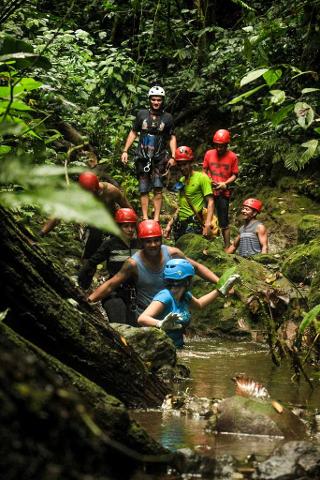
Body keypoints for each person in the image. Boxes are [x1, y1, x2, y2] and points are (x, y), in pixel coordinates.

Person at [87, 219, 220, 315]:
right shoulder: (133, 263)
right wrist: (88, 301)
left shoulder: (173, 253)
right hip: (145, 315)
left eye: (156, 240)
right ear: (141, 242)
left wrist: (219, 282)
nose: (153, 245)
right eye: (148, 241)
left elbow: (196, 267)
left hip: (171, 312)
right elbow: (111, 284)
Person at [137, 259, 240, 348]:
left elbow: (200, 304)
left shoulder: (185, 296)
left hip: (177, 347)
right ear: (187, 281)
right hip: (161, 349)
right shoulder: (165, 297)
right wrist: (160, 323)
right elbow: (142, 319)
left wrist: (221, 290)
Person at [39, 171, 132, 259]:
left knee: (119, 250)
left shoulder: (111, 191)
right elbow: (57, 216)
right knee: (91, 253)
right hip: (96, 224)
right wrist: (42, 233)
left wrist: (138, 229)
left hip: (113, 222)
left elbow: (128, 208)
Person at [121, 85, 177, 222]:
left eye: (159, 100)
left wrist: (174, 156)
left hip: (159, 157)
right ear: (149, 100)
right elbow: (134, 132)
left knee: (158, 188)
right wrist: (125, 151)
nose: (156, 102)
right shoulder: (142, 114)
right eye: (154, 100)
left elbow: (171, 137)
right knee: (143, 188)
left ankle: (156, 219)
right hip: (143, 156)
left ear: (162, 101)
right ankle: (146, 218)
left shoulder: (168, 118)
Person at [78, 208, 140, 325]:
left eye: (132, 226)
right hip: (114, 292)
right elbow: (92, 262)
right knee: (120, 325)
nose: (130, 230)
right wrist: (82, 283)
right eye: (126, 226)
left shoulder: (139, 244)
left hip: (137, 292)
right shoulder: (110, 244)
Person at [164, 146, 214, 241]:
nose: (182, 168)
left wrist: (208, 223)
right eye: (180, 165)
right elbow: (181, 207)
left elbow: (210, 201)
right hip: (180, 225)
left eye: (185, 164)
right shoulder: (182, 180)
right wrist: (169, 224)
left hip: (193, 225)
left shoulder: (202, 178)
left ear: (191, 162)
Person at [202, 129, 239, 248]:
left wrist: (225, 183)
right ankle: (205, 243)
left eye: (222, 146)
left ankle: (227, 247)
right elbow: (204, 170)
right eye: (217, 145)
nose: (219, 148)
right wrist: (208, 180)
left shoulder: (232, 157)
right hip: (209, 191)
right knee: (205, 216)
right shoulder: (209, 154)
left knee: (224, 222)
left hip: (223, 192)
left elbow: (235, 174)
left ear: (227, 145)